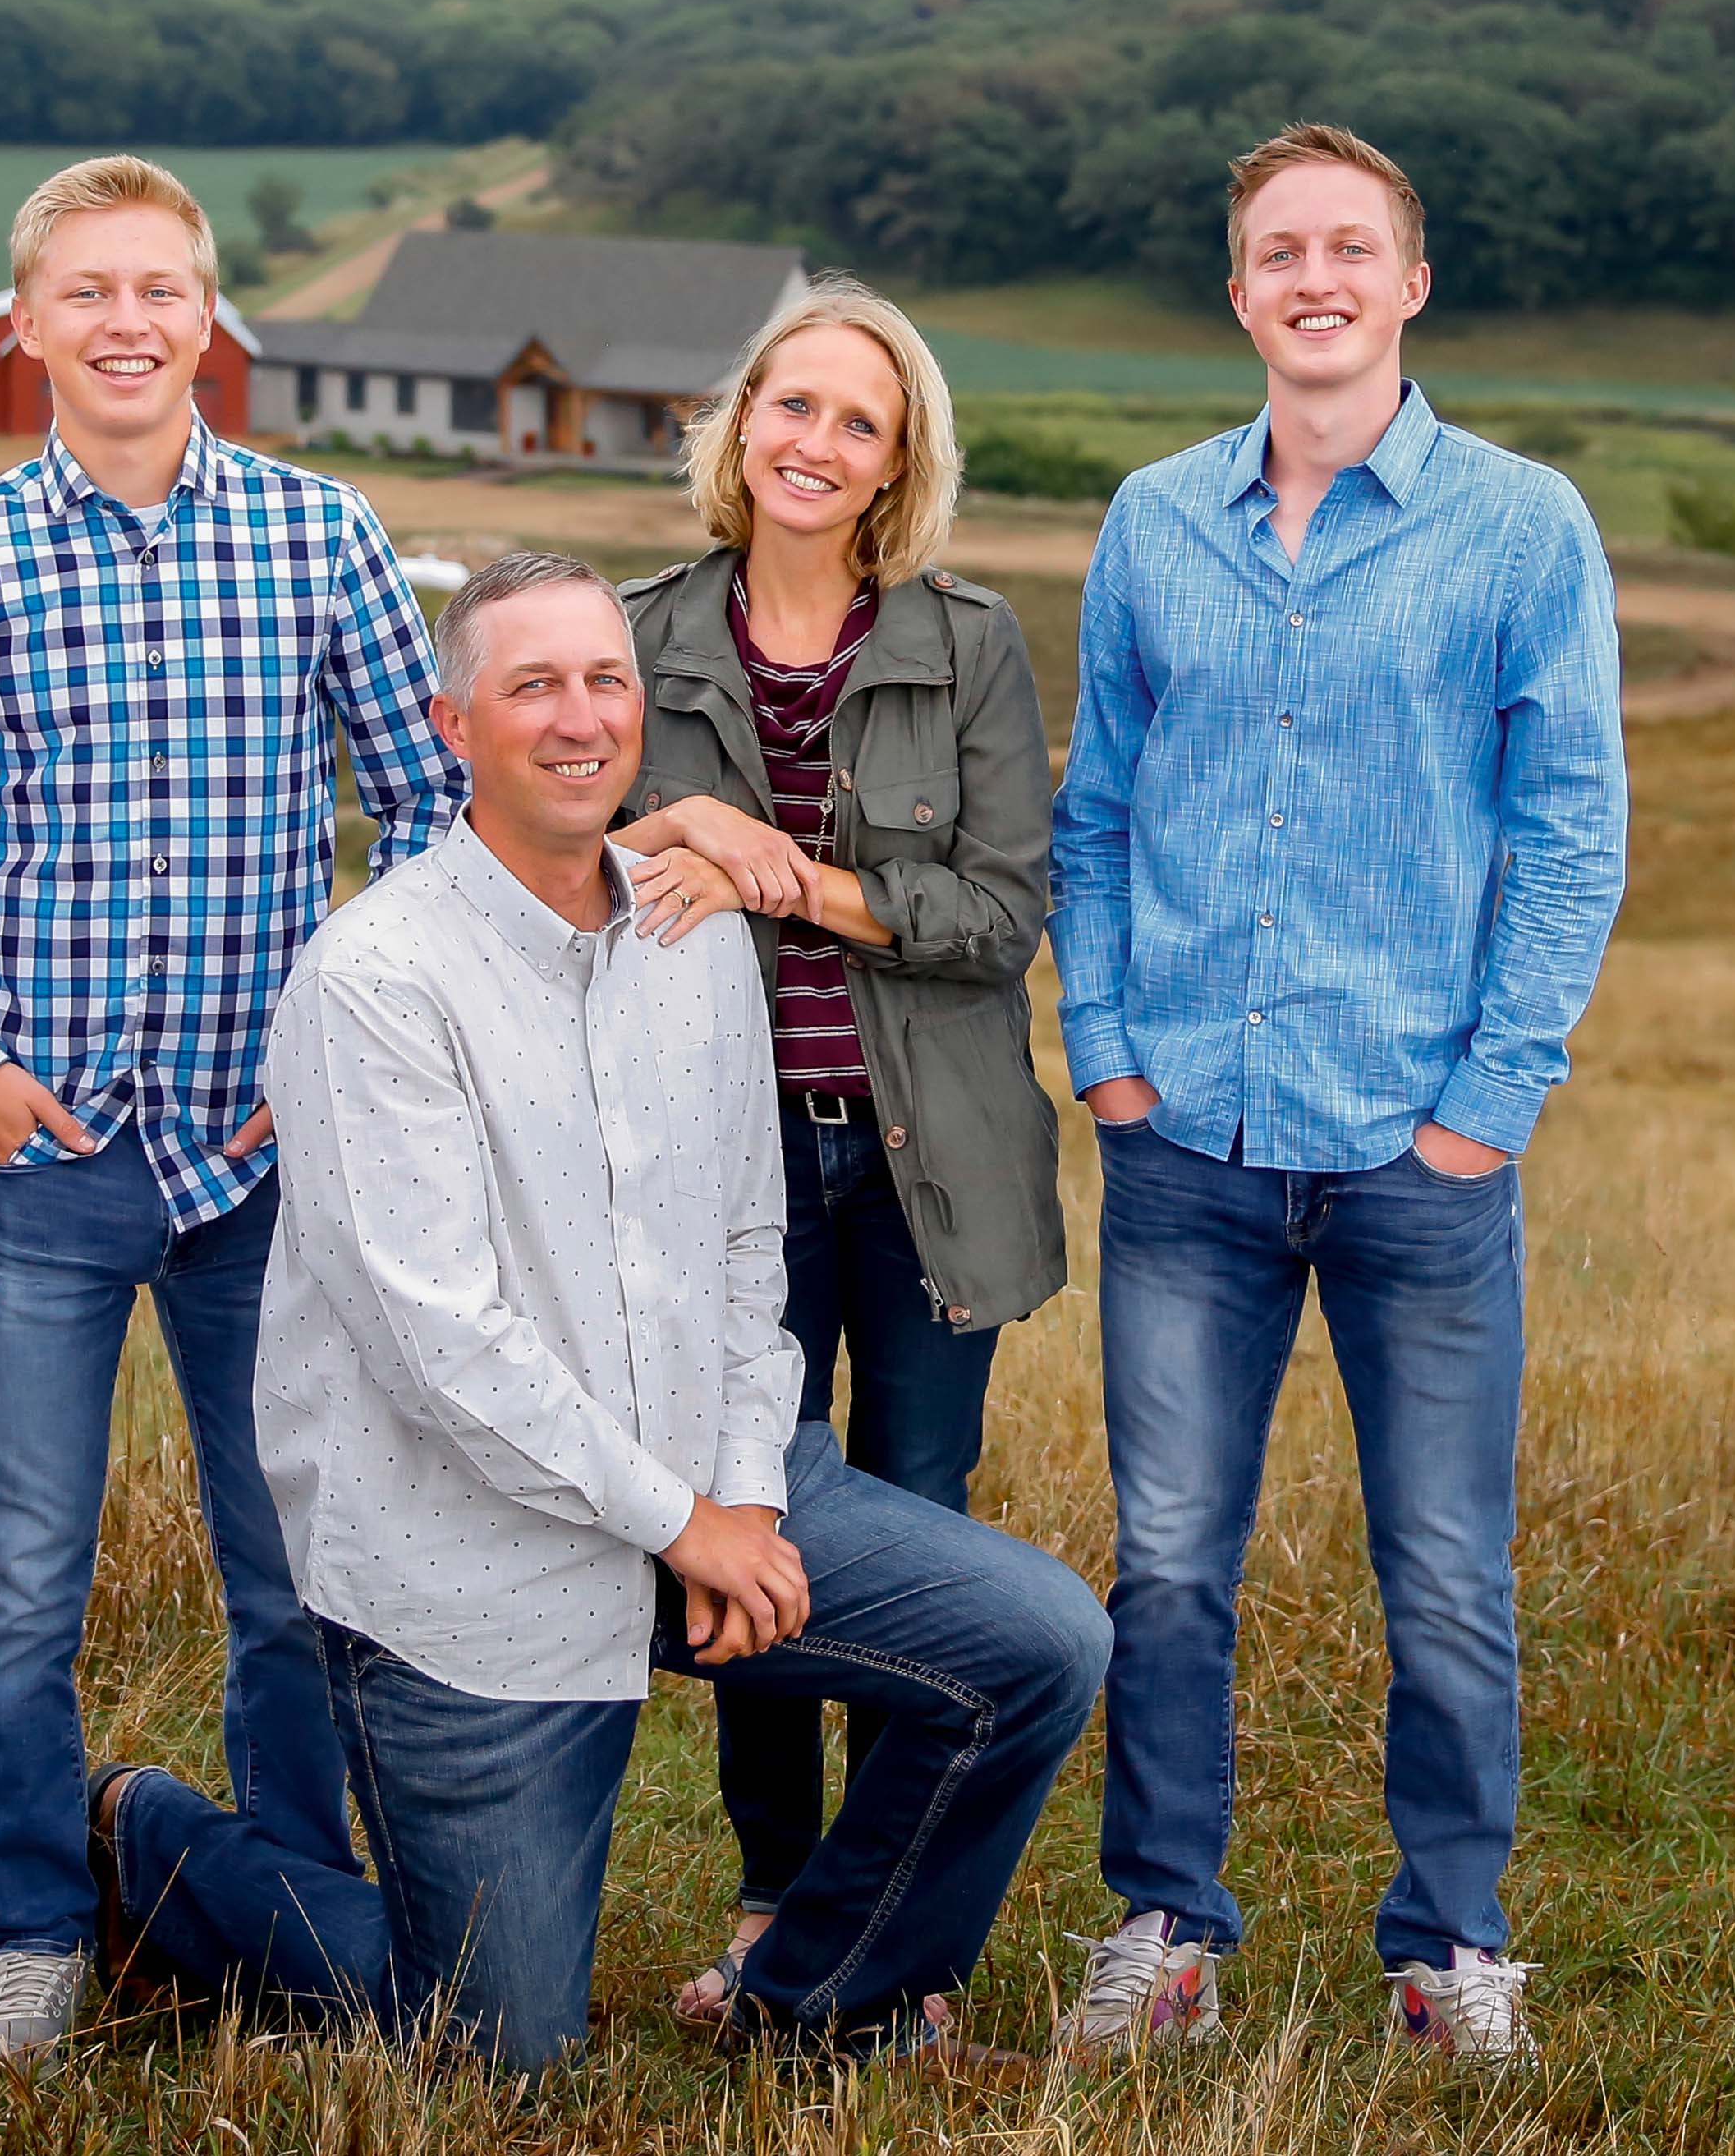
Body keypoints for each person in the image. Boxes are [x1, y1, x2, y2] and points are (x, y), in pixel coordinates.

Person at [83, 552, 1112, 2077]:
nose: (580, 719)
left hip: (713, 1476)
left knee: (1039, 1642)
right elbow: (443, 1349)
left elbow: (752, 1242)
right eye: (533, 685)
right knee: (493, 2047)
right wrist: (678, 1524)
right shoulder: (377, 980)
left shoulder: (690, 938)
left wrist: (750, 1490)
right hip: (472, 1558)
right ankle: (151, 1841)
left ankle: (823, 2000)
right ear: (451, 727)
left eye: (607, 679)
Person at [0, 155, 462, 2071]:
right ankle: (31, 1925)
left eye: (162, 290)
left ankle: (277, 1903)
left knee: (291, 1564)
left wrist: (329, 1060)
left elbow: (429, 817)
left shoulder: (319, 537)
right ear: (26, 324)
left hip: (265, 1160)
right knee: (22, 1564)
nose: (126, 321)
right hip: (43, 1153)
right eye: (86, 291)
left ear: (209, 321)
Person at [1047, 122, 1628, 2066]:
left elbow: (1570, 839)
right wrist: (1107, 1055)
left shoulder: (1524, 526)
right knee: (1172, 1568)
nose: (1315, 277)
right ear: (1241, 295)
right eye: (1279, 251)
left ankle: (1448, 1946)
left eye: (1350, 248)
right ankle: (1168, 1931)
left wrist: (1489, 1108)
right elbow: (1100, 811)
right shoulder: (1154, 518)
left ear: (1408, 283)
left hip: (1416, 1156)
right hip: (1186, 1147)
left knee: (1449, 1575)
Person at [606, 278, 1066, 2027]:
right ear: (739, 428)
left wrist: (786, 872)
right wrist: (674, 826)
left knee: (922, 1533)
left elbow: (1001, 914)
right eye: (789, 406)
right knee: (752, 1523)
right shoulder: (640, 639)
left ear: (895, 465)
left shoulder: (971, 645)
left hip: (929, 1164)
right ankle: (771, 1904)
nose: (815, 442)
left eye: (856, 422)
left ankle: (891, 1941)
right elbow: (560, 855)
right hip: (722, 1173)